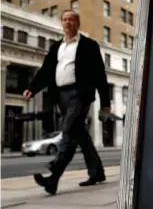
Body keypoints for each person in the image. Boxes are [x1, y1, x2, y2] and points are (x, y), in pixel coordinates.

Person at [23, 10, 111, 195]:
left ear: (77, 23)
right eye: (64, 20)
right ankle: (97, 173)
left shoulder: (89, 45)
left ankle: (53, 176)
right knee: (80, 135)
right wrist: (32, 88)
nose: (67, 22)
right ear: (61, 23)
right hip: (61, 95)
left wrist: (105, 101)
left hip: (80, 93)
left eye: (71, 19)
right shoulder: (57, 47)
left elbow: (99, 74)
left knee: (68, 131)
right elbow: (46, 70)